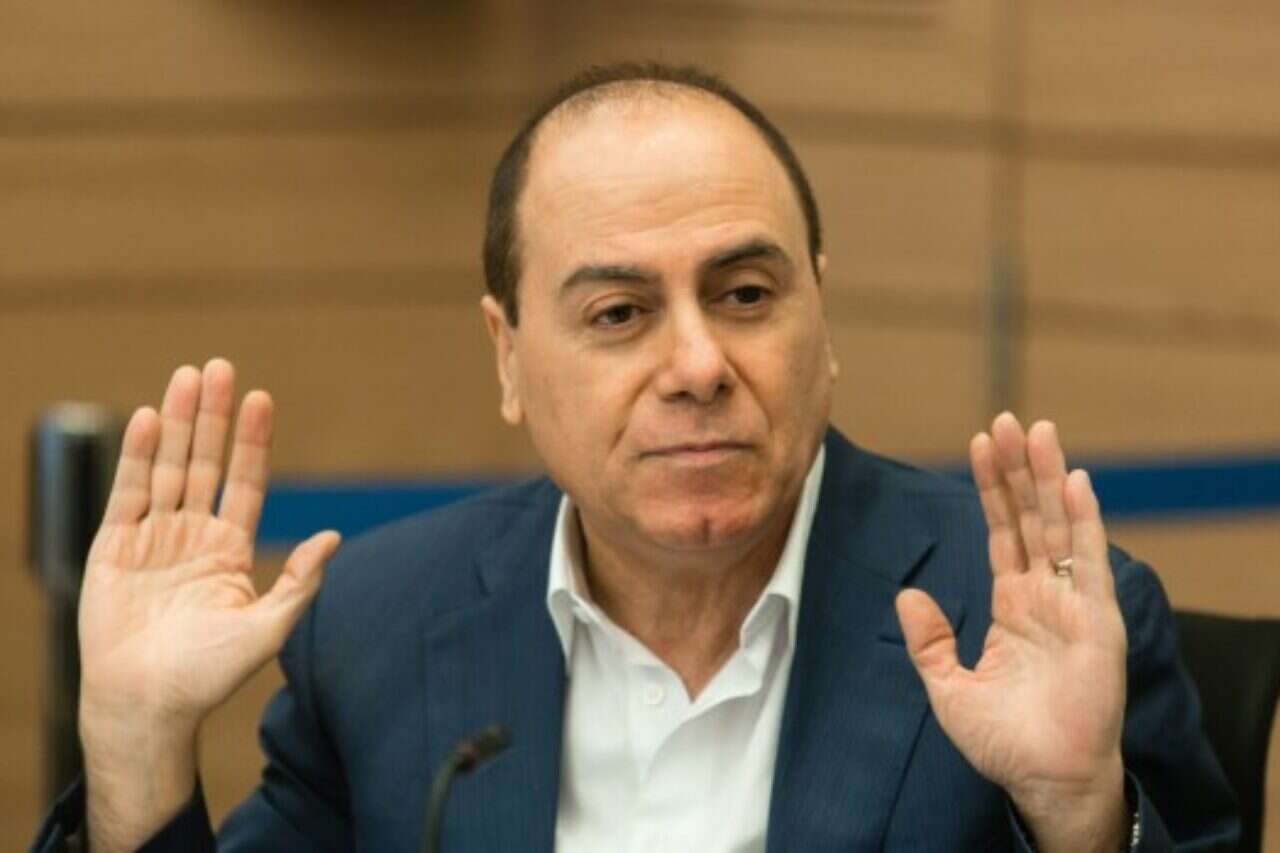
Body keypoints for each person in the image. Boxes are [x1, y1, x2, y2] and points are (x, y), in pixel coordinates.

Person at [33, 63, 1237, 853]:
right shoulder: (381, 630)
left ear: (821, 318)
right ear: (509, 356)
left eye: (745, 293)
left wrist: (1077, 818)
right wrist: (135, 750)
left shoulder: (1023, 618)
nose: (698, 363)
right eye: (618, 314)